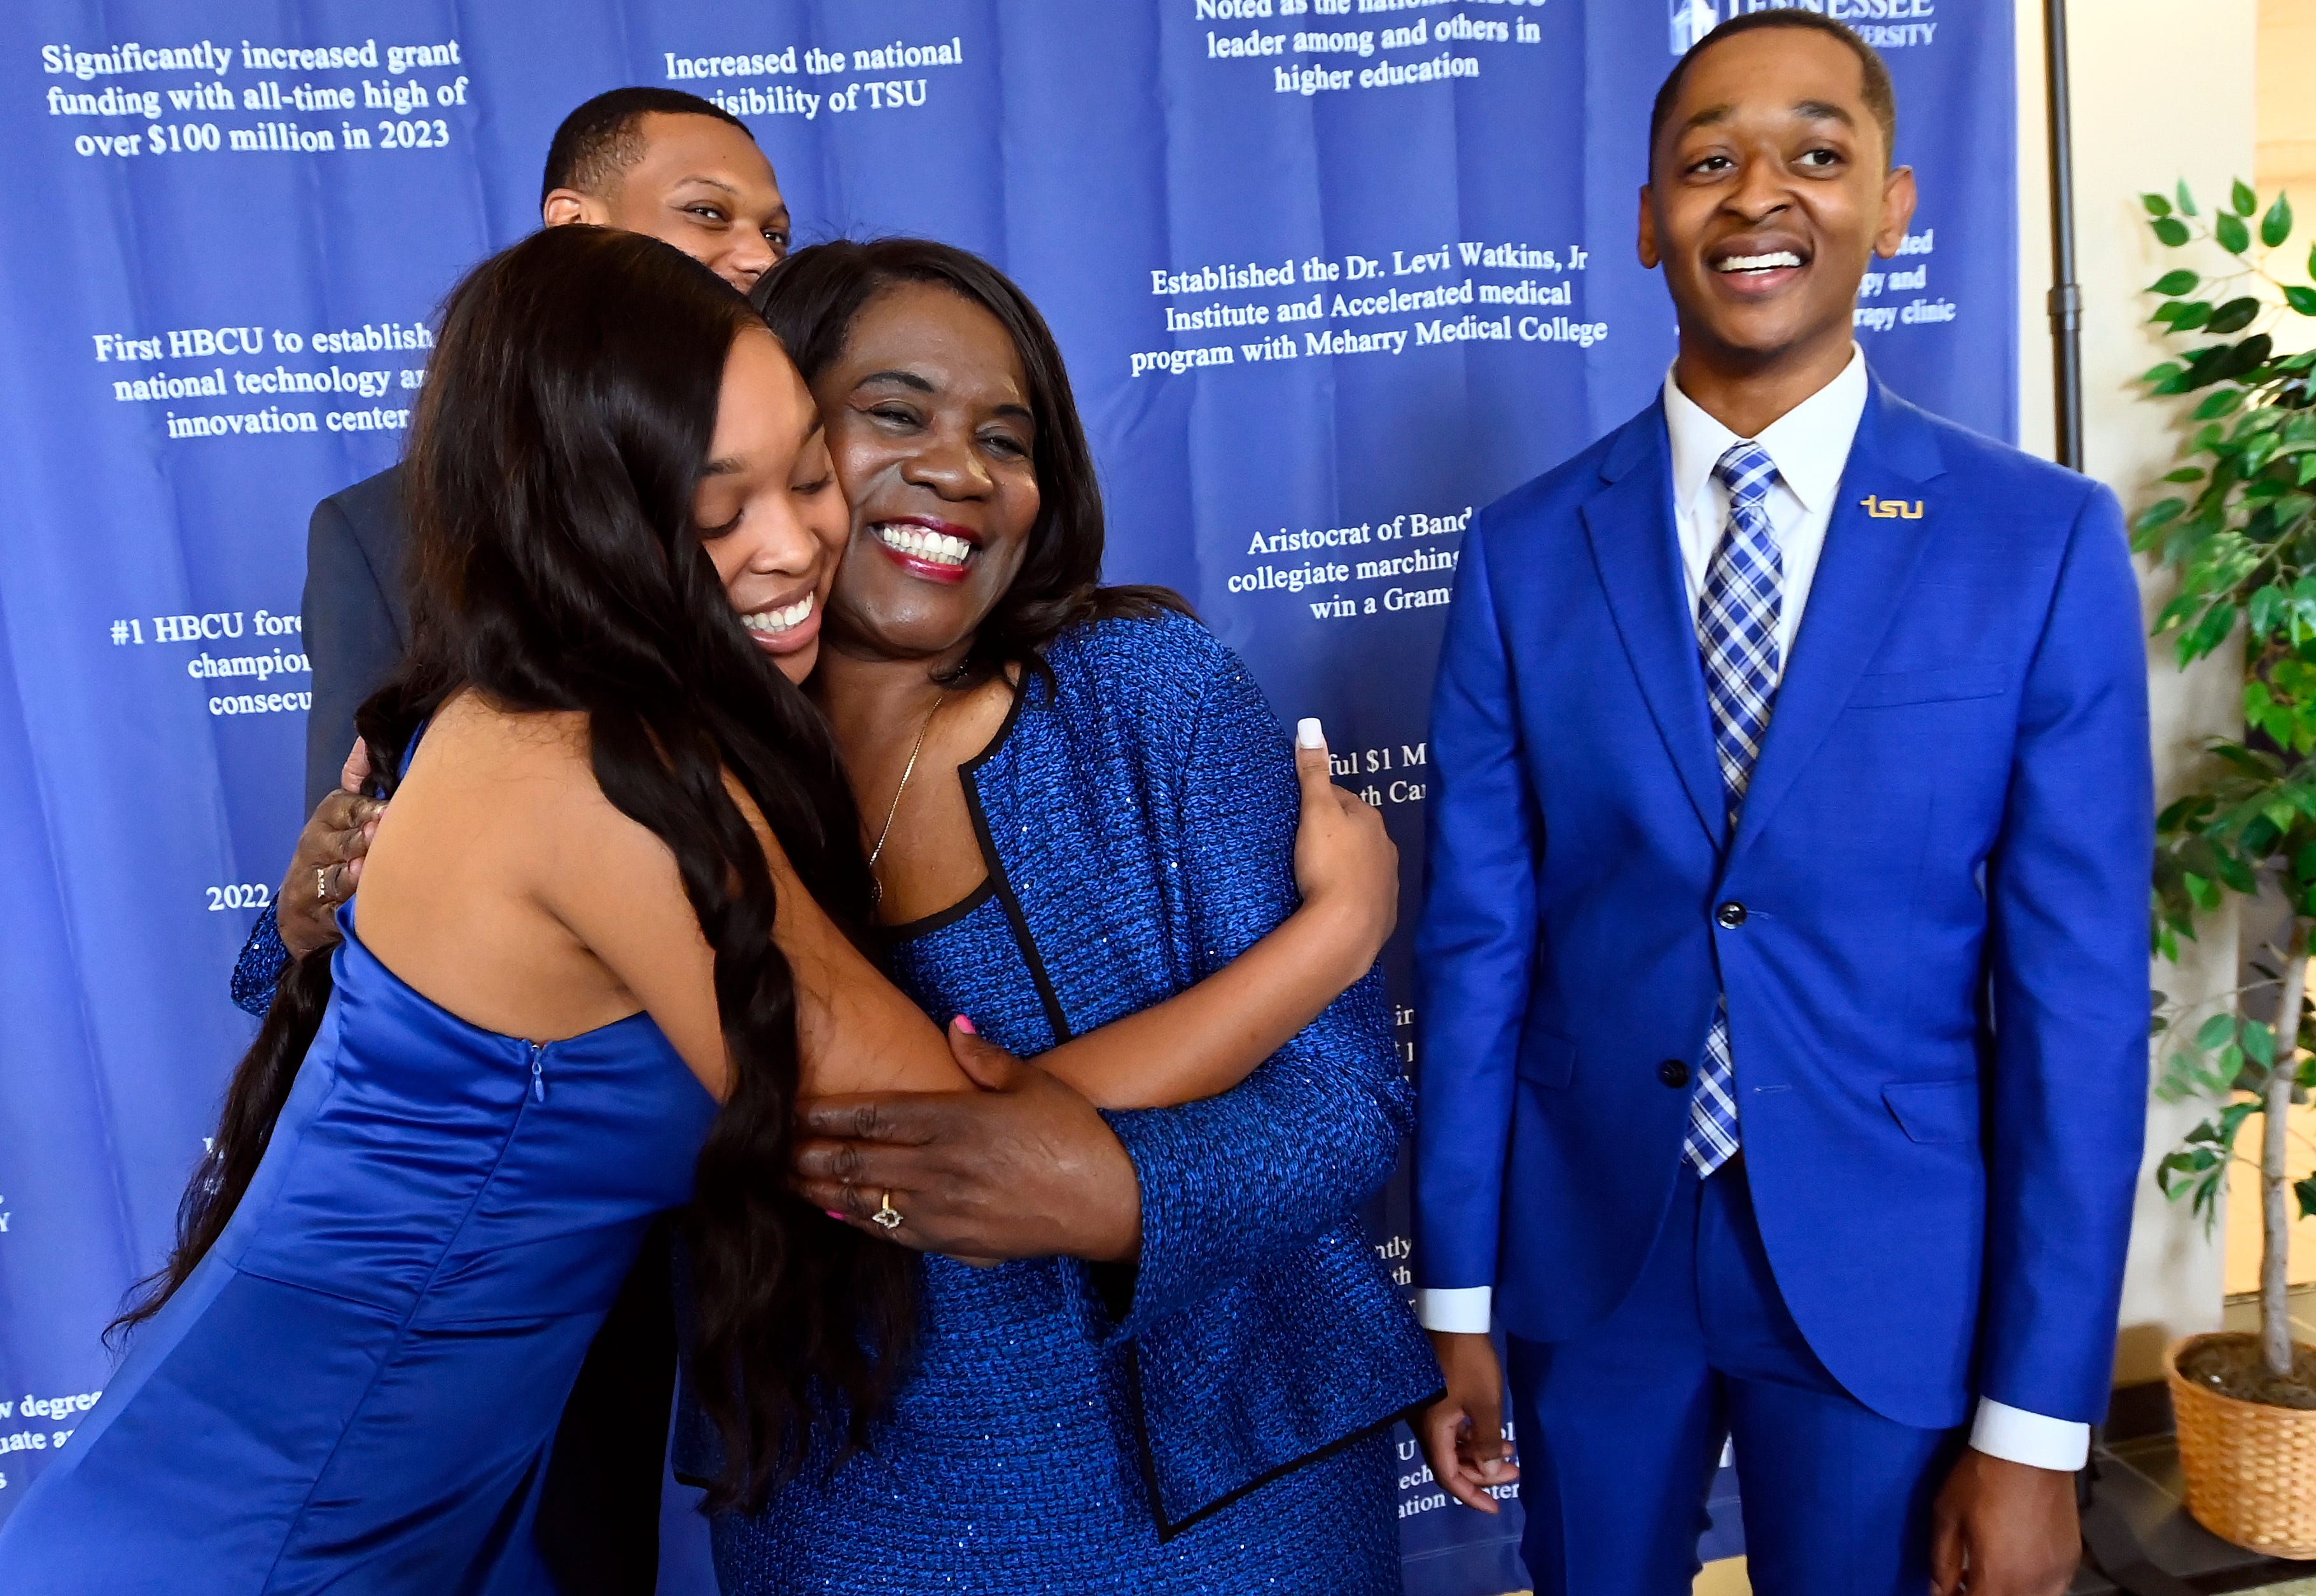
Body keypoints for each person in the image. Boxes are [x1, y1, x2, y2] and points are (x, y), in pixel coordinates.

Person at [0, 226, 958, 1595]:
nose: (798, 539)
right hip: (249, 1540)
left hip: (371, 1512)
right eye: (715, 508)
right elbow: (934, 1138)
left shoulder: (522, 719)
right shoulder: (600, 778)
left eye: (809, 474)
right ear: (591, 519)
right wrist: (1321, 949)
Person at [1411, 15, 2149, 1596]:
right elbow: (1479, 949)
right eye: (1706, 162)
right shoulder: (1525, 551)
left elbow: (2079, 1011)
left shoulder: (2043, 543)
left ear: (1893, 203)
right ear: (1643, 218)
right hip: (1594, 1250)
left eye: (1818, 155)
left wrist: (2036, 1427)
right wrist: (1457, 1298)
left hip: (1894, 1259)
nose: (1760, 196)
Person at [693, 239, 1437, 1593]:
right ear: (768, 450)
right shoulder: (663, 763)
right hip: (842, 1509)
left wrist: (1118, 1194)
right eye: (896, 413)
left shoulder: (1145, 694)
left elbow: (1345, 1103)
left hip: (1227, 1510)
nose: (962, 469)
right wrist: (326, 893)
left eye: (1005, 437)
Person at [293, 85, 792, 819]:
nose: (758, 257)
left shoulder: (821, 498)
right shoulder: (376, 531)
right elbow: (348, 848)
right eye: (708, 213)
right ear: (574, 223)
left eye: (776, 234)